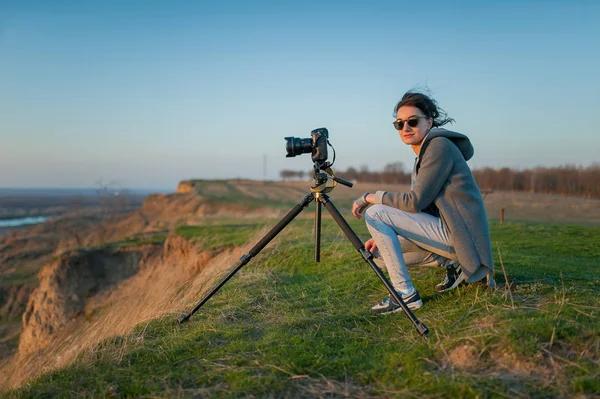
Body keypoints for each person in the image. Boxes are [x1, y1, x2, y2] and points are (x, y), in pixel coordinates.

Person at [352, 90, 495, 314]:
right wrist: (382, 234)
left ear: (428, 121)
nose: (405, 128)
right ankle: (454, 265)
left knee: (375, 212)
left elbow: (414, 202)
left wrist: (369, 196)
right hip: (449, 232)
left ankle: (404, 295)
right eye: (399, 124)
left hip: (462, 235)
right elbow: (422, 208)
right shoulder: (422, 154)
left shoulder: (439, 147)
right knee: (379, 255)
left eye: (412, 121)